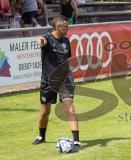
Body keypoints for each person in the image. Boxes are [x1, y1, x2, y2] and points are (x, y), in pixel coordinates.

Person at [32, 15, 81, 152]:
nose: (68, 28)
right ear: (58, 27)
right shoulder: (46, 39)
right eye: (66, 26)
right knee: (44, 112)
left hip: (65, 79)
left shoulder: (66, 41)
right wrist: (40, 41)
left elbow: (67, 59)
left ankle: (76, 141)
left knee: (70, 109)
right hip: (48, 81)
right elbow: (41, 41)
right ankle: (41, 136)